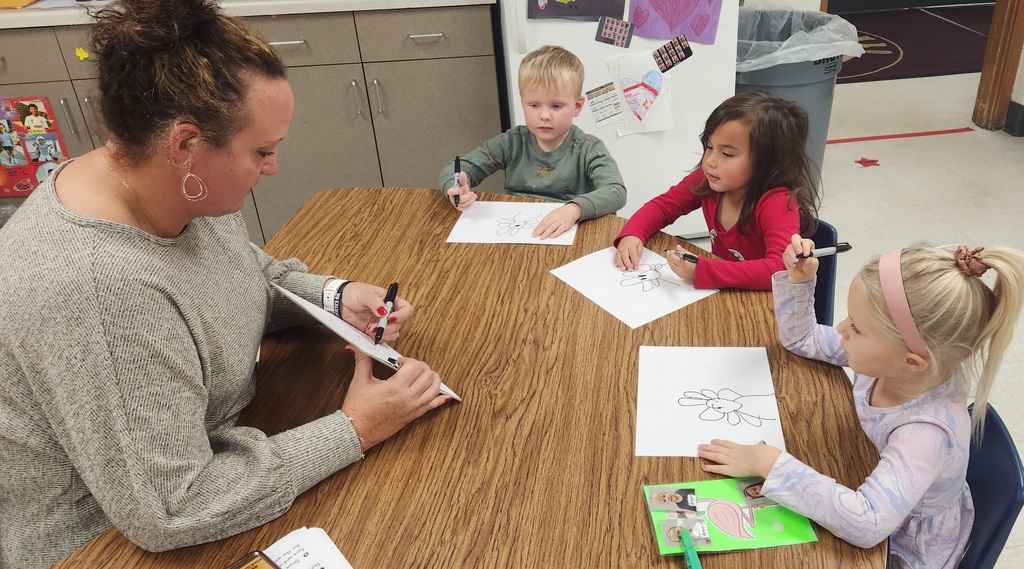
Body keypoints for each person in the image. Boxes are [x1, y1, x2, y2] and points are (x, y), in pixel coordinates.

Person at [0, 2, 452, 567]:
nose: (273, 168)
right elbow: (171, 508)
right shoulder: (99, 293)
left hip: (220, 440)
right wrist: (355, 428)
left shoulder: (164, 183)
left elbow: (235, 273)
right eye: (261, 151)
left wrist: (334, 297)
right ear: (185, 145)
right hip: (102, 537)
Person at [697, 237, 1024, 568]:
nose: (841, 329)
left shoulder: (927, 434)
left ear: (912, 361)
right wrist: (800, 280)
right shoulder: (891, 364)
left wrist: (771, 464)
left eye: (856, 327)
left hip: (902, 547)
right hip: (868, 474)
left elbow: (868, 524)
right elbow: (803, 339)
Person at [612, 90, 820, 291]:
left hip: (760, 307)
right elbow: (664, 206)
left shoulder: (778, 202)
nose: (710, 161)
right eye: (709, 147)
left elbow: (780, 270)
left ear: (767, 161)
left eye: (727, 154)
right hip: (723, 294)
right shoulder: (709, 181)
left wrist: (704, 271)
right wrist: (634, 233)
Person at [439, 45, 626, 240]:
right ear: (522, 102)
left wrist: (575, 209)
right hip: (517, 233)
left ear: (577, 106)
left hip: (570, 234)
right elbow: (455, 168)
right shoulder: (511, 142)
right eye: (534, 105)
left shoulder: (589, 148)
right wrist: (455, 189)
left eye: (556, 106)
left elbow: (616, 192)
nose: (544, 115)